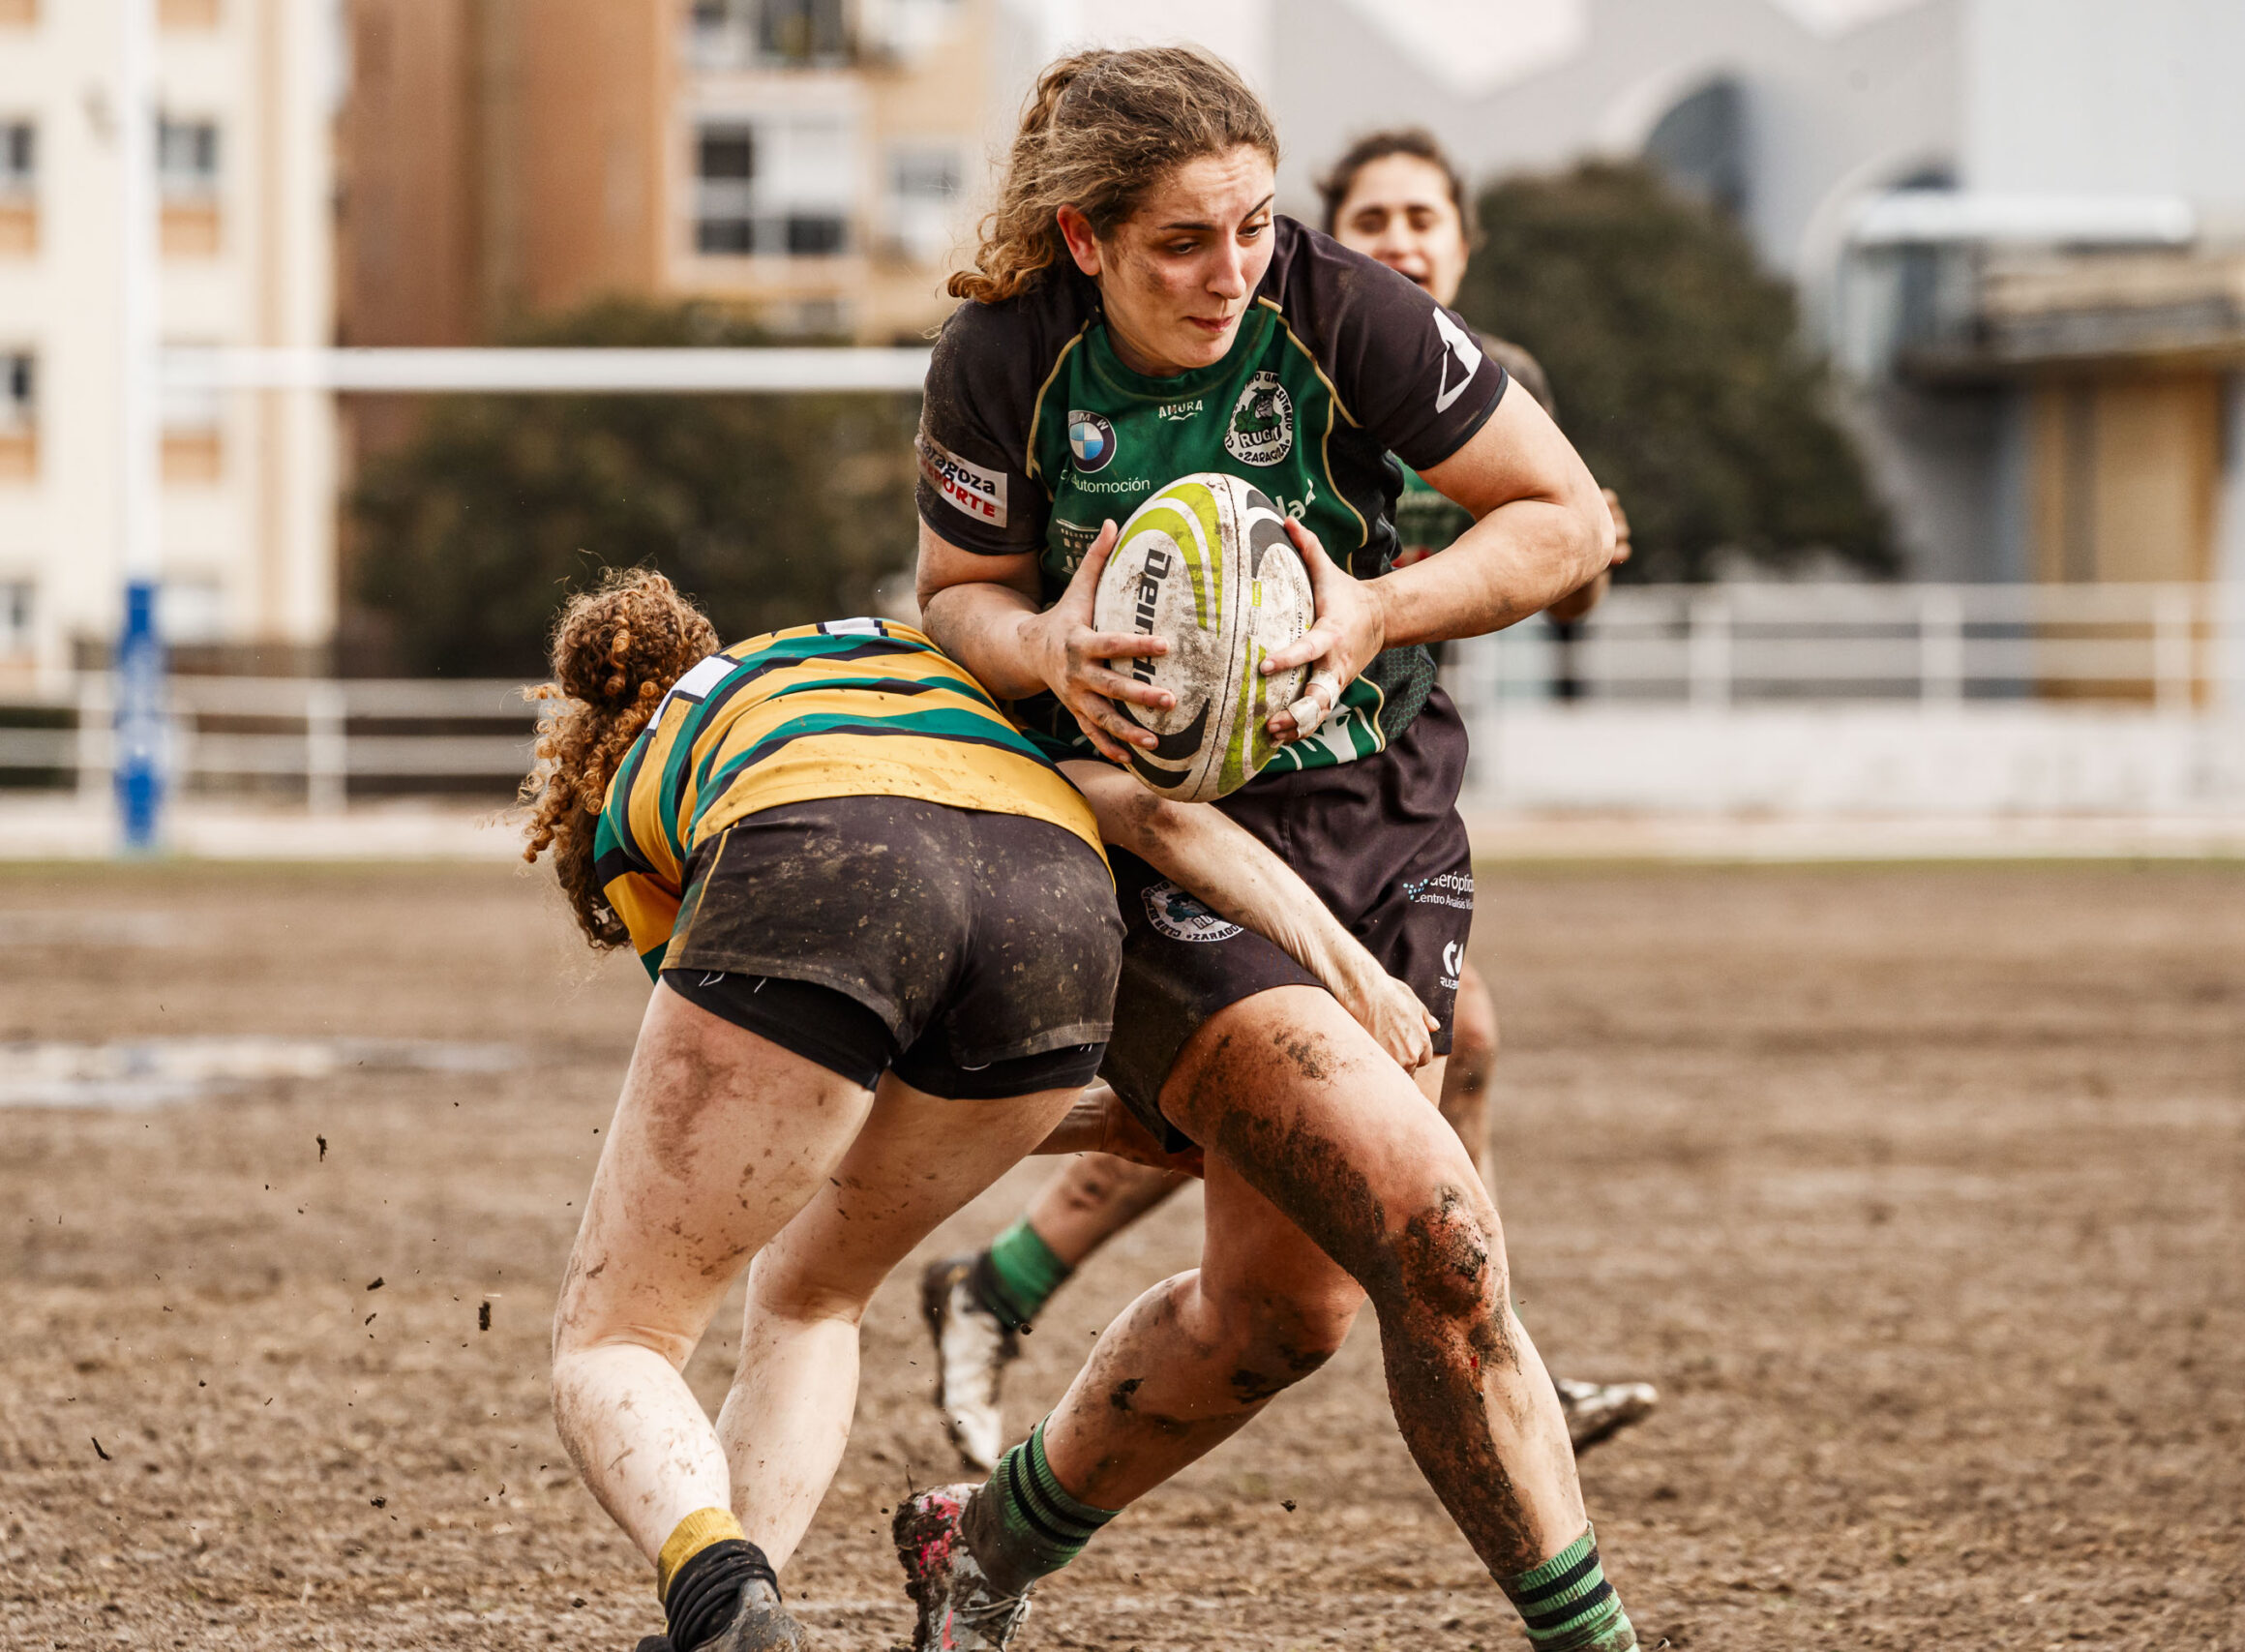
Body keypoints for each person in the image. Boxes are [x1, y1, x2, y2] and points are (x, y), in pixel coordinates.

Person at [891, 46, 1638, 1652]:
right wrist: (1046, 651)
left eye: (1248, 226)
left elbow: (1566, 519)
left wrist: (1377, 605)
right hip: (1155, 853)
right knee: (1438, 1239)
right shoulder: (1006, 357)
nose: (1231, 271)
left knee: (1282, 1313)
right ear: (1084, 239)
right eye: (1180, 242)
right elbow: (955, 596)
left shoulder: (1338, 303)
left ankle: (981, 1539)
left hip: (1387, 818)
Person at [525, 570, 1447, 1652]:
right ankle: (739, 1617)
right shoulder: (882, 654)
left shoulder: (648, 775)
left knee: (618, 1333)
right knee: (811, 1297)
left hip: (812, 847)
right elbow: (1140, 814)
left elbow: (789, 1097)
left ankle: (717, 1587)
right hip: (1057, 902)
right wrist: (1339, 971)